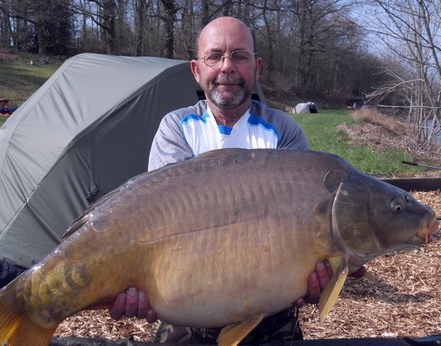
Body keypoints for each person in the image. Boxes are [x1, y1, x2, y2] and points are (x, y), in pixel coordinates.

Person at [108, 16, 365, 343]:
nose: (227, 67)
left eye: (239, 56)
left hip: (273, 319)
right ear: (196, 70)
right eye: (215, 56)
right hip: (187, 318)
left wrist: (318, 278)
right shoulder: (176, 129)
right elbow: (162, 226)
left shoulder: (284, 133)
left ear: (256, 67)